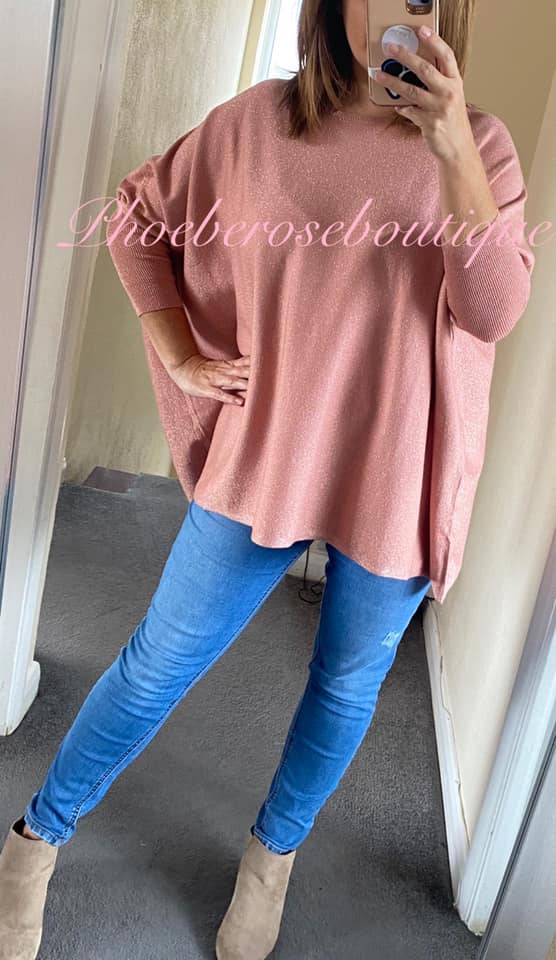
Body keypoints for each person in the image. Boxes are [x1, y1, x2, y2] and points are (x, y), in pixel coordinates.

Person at [0, 1, 535, 958]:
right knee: (159, 660)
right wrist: (178, 353)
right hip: (269, 452)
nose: (400, 7)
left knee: (345, 684)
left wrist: (453, 148)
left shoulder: (483, 147)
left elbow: (491, 312)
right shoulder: (258, 122)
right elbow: (137, 215)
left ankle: (271, 859)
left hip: (398, 468)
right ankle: (34, 842)